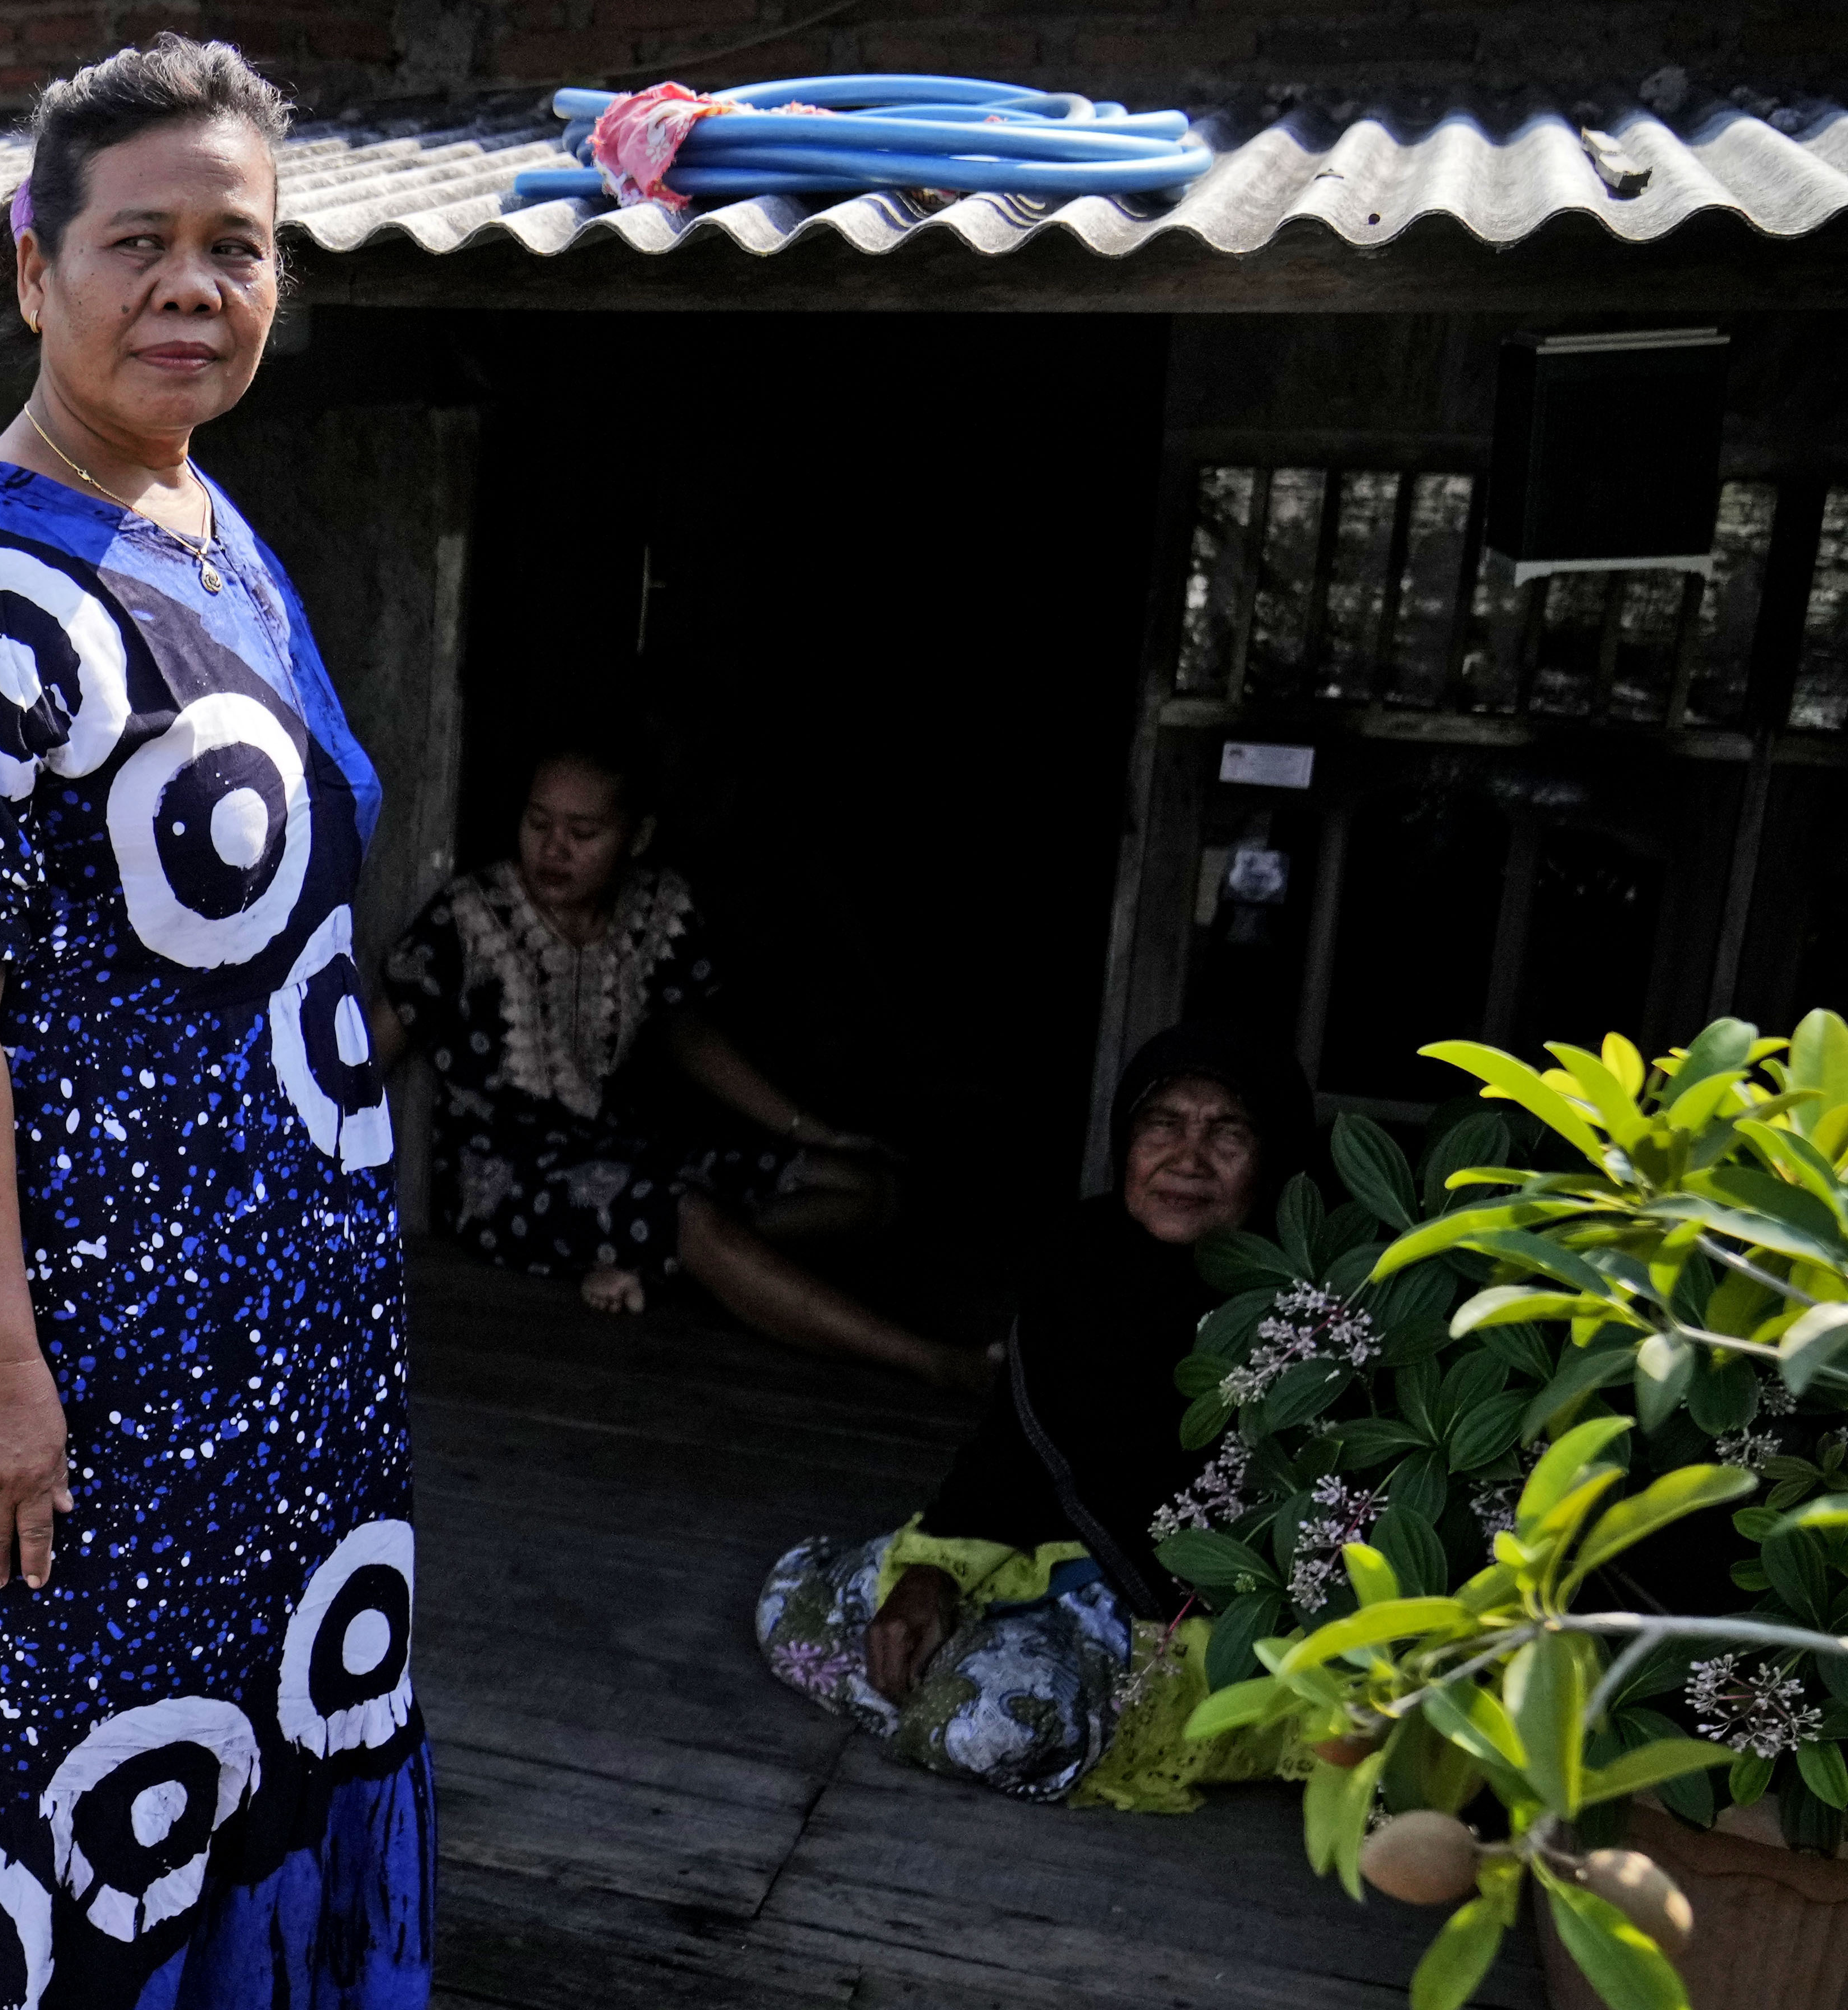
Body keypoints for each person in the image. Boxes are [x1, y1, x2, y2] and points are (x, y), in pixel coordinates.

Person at [0, 36, 427, 2010]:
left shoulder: (204, 522)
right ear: (32, 269)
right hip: (69, 1314)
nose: (193, 289)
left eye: (236, 246)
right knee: (36, 1723)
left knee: (229, 1706)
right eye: (139, 244)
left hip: (270, 1317)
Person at [756, 1024, 1317, 1805]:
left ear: (1275, 1160)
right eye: (1164, 1124)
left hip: (1172, 1631)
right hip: (1029, 1572)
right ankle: (965, 1690)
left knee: (996, 1723)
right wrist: (929, 1578)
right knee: (789, 1601)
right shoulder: (1083, 1253)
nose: (1188, 1157)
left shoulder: (1304, 1309)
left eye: (1229, 1133)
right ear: (1127, 1140)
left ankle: (988, 1711)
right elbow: (1013, 1448)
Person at [385, 740, 985, 1389]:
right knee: (691, 1218)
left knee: (867, 1188)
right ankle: (936, 1363)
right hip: (504, 1179)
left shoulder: (658, 911)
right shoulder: (469, 917)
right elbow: (367, 1051)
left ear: (638, 836)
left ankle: (659, 1267)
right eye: (538, 823)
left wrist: (812, 1130)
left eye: (583, 832)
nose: (554, 848)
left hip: (628, 1152)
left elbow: (692, 1041)